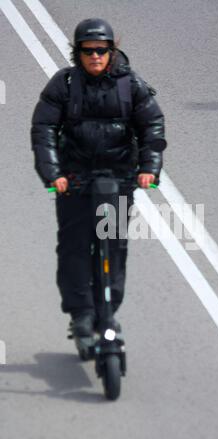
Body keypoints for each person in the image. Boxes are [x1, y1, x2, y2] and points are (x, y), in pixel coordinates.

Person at [31, 18, 166, 344]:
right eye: (88, 51)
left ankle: (108, 311)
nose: (95, 56)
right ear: (77, 53)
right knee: (75, 246)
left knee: (114, 246)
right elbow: (44, 130)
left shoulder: (130, 85)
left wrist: (149, 168)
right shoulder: (63, 85)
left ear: (111, 50)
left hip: (118, 178)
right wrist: (54, 175)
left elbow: (152, 128)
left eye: (101, 50)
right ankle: (82, 313)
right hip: (74, 180)